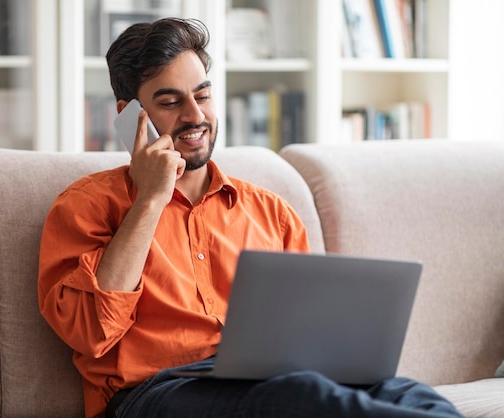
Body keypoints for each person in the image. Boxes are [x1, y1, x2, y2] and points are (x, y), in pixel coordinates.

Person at [38, 18, 461, 418]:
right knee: (303, 398)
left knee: (409, 393)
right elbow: (91, 331)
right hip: (153, 394)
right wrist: (150, 200)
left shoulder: (272, 213)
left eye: (202, 95)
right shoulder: (86, 206)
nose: (195, 116)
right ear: (131, 116)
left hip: (267, 380)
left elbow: (308, 333)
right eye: (170, 102)